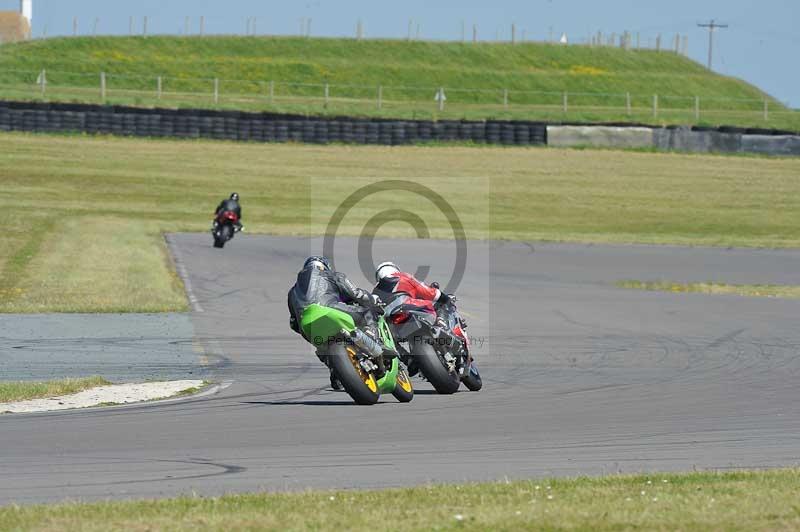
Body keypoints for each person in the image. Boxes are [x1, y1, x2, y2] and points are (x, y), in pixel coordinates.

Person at [288, 256, 383, 389]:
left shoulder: (293, 291)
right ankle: (375, 341)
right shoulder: (332, 275)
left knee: (323, 350)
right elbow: (356, 294)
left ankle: (336, 373)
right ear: (325, 266)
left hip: (307, 324)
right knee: (367, 313)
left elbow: (293, 323)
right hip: (330, 309)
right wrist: (373, 300)